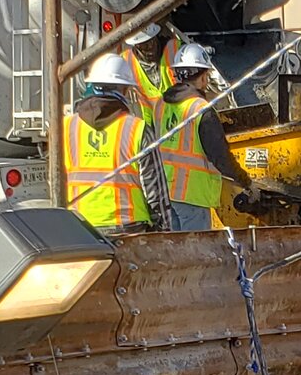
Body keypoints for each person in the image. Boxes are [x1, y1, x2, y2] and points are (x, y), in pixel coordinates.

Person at [149, 39, 254, 230]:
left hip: (166, 192)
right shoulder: (201, 110)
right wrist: (246, 182)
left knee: (176, 252)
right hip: (193, 196)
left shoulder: (160, 105)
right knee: (196, 253)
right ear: (204, 77)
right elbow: (220, 157)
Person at [61, 53, 154, 232]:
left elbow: (55, 178)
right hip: (129, 225)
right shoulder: (136, 128)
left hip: (81, 226)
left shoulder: (66, 126)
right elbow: (153, 187)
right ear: (124, 89)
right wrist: (162, 228)